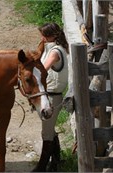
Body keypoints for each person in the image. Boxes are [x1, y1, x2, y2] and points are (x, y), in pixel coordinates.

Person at [32, 22, 69, 172]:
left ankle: (41, 167)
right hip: (52, 95)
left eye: (44, 35)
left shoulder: (55, 52)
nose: (42, 38)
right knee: (50, 130)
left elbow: (42, 70)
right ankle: (56, 161)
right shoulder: (56, 48)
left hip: (53, 96)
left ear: (52, 36)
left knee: (46, 133)